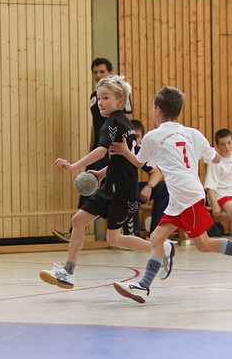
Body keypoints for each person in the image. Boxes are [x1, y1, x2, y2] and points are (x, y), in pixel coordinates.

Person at [110, 86, 232, 303]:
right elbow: (216, 159)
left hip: (185, 195)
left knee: (203, 244)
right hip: (182, 195)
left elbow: (139, 163)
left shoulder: (153, 136)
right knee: (157, 238)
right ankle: (143, 285)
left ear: (157, 110)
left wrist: (123, 150)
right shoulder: (193, 133)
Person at [40, 75, 173, 289]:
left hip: (122, 190)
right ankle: (68, 272)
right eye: (99, 98)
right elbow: (119, 160)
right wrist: (102, 173)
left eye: (105, 98)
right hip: (110, 185)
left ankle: (161, 248)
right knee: (78, 221)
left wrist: (73, 166)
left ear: (120, 101)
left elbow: (102, 151)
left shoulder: (112, 123)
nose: (100, 102)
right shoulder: (124, 123)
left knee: (114, 239)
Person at [52, 58, 133, 243]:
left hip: (113, 148)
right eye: (95, 72)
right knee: (89, 183)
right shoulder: (93, 97)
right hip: (100, 146)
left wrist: (126, 146)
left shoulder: (120, 102)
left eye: (102, 71)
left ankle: (127, 232)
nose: (98, 75)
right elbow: (95, 127)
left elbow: (125, 122)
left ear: (110, 72)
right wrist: (92, 147)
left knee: (116, 187)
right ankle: (77, 228)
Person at [131, 120, 169, 236]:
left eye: (137, 137)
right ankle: (133, 235)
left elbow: (157, 173)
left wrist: (149, 186)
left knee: (163, 188)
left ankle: (155, 235)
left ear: (142, 138)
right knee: (129, 192)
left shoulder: (139, 151)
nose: (134, 140)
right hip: (117, 190)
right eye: (132, 136)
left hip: (132, 189)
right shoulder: (117, 149)